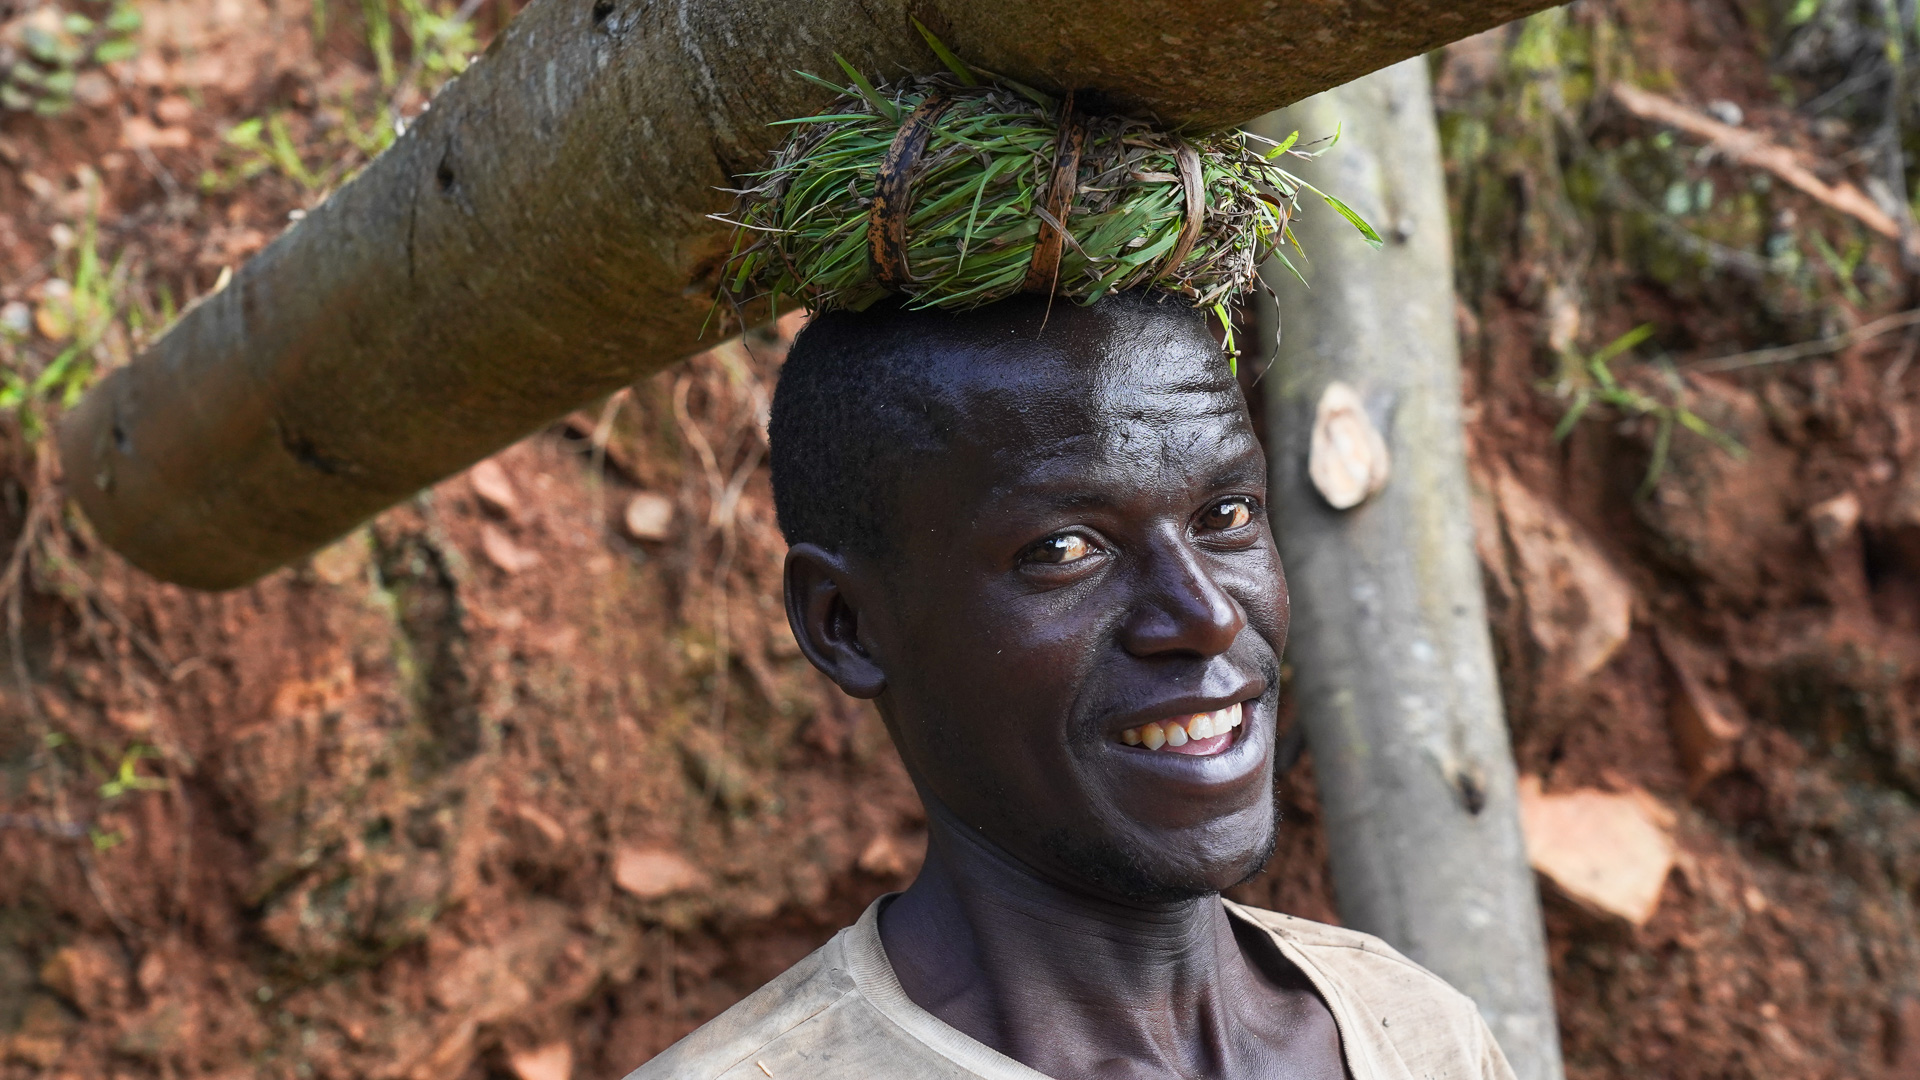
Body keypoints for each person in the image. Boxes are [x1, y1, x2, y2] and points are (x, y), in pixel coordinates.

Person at [628, 291, 1514, 1080]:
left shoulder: (1421, 1034)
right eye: (1064, 550)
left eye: (1227, 516)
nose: (1206, 616)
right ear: (846, 625)